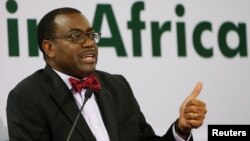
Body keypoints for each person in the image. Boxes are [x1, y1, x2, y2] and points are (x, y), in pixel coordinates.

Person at [6, 7, 207, 141]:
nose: (89, 43)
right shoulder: (27, 97)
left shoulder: (116, 86)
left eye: (91, 35)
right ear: (49, 48)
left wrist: (181, 129)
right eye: (76, 36)